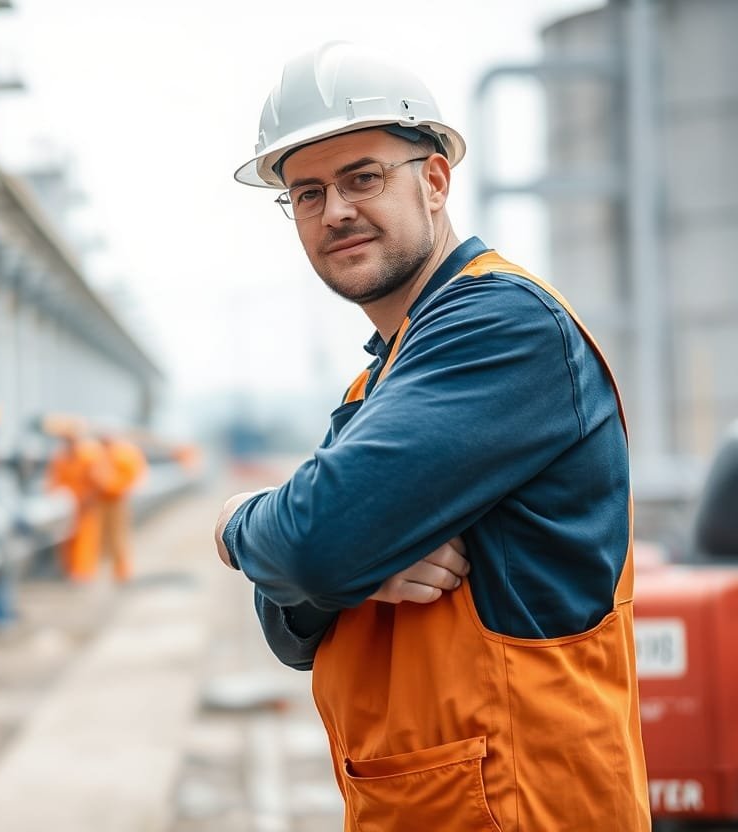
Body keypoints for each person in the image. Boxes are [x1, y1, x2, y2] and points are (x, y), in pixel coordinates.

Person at [213, 41, 649, 830]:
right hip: (421, 803)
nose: (335, 210)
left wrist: (236, 521)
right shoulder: (380, 379)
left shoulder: (501, 328)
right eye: (307, 194)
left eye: (363, 177)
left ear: (437, 180)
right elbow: (289, 621)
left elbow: (310, 546)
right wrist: (350, 564)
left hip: (522, 805)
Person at [46, 421, 106, 581]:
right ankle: (70, 570)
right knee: (66, 538)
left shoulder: (89, 456)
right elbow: (54, 480)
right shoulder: (61, 457)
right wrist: (55, 498)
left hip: (85, 504)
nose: (69, 443)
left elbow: (98, 481)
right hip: (66, 504)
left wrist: (90, 497)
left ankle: (83, 571)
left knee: (85, 538)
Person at [91, 431, 148, 582]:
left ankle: (122, 571)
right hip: (102, 499)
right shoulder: (102, 454)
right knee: (101, 536)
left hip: (117, 500)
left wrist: (109, 483)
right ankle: (105, 569)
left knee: (118, 536)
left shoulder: (123, 454)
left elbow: (130, 477)